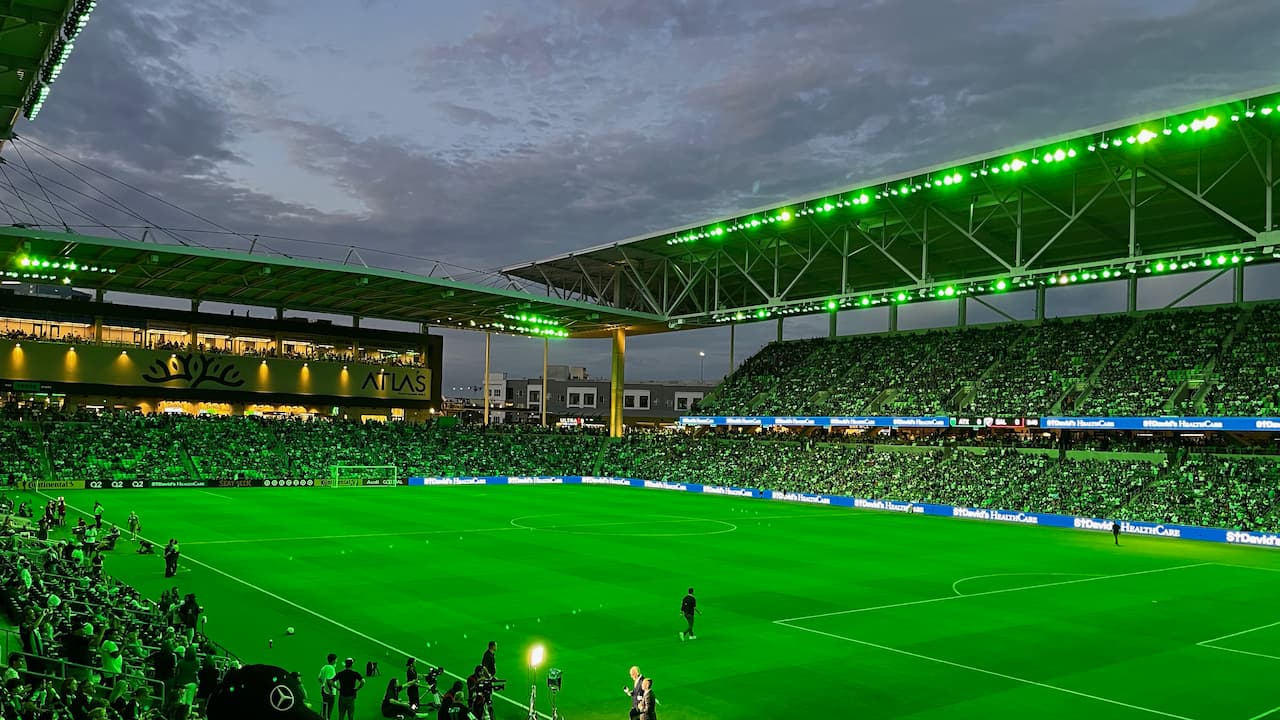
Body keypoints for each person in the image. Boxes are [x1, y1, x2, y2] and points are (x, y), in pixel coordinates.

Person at [318, 653, 338, 720]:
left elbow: (319, 678)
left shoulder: (324, 667)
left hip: (323, 690)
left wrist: (323, 683)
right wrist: (331, 690)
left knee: (324, 708)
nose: (336, 661)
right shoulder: (331, 668)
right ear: (333, 660)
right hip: (329, 692)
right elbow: (329, 680)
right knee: (328, 709)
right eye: (336, 659)